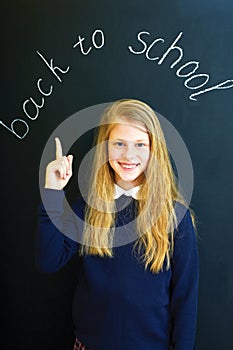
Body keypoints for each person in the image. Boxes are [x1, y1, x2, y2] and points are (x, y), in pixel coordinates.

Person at [36, 99, 199, 350]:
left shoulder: (174, 216)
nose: (128, 155)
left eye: (140, 145)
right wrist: (52, 193)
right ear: (105, 147)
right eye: (119, 144)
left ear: (154, 150)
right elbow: (49, 260)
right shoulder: (89, 208)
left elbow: (185, 297)